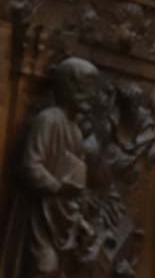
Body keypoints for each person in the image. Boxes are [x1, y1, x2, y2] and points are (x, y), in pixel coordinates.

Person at [4, 57, 101, 277]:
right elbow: (30, 165)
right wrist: (57, 186)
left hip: (64, 220)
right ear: (69, 87)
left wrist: (82, 220)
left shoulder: (76, 131)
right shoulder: (49, 120)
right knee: (44, 268)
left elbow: (76, 179)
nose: (92, 96)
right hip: (41, 217)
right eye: (86, 88)